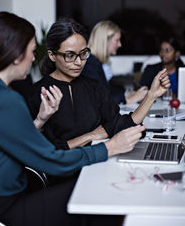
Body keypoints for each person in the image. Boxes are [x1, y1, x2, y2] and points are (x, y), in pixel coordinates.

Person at [0, 12, 153, 226]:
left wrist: (39, 121)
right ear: (17, 56)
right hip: (3, 207)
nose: (33, 58)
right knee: (100, 196)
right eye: (31, 52)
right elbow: (51, 160)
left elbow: (10, 140)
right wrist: (109, 147)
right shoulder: (6, 100)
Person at [27, 17, 169, 153]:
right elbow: (42, 150)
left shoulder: (93, 86)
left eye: (83, 54)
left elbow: (122, 125)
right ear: (52, 55)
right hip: (63, 173)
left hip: (95, 165)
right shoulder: (37, 93)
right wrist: (90, 136)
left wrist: (151, 96)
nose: (79, 62)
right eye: (70, 56)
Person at [82, 20, 148, 104]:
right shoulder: (90, 65)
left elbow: (106, 89)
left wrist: (126, 94)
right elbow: (99, 98)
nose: (120, 44)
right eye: (117, 40)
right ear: (105, 41)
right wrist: (129, 99)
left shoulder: (95, 62)